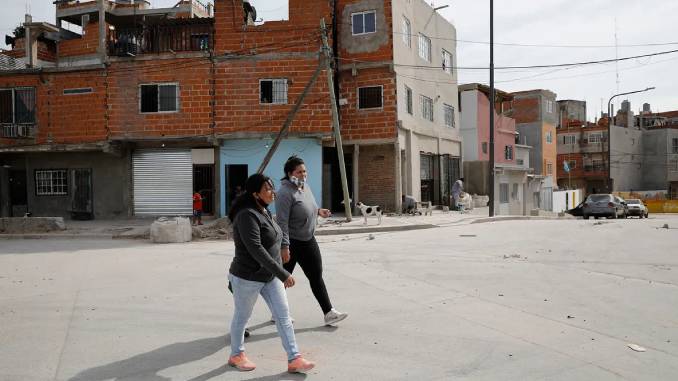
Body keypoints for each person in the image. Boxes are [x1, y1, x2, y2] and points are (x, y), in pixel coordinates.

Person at [227, 173, 315, 373]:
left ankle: (294, 358)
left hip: (269, 276)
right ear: (256, 194)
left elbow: (276, 235)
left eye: (272, 188)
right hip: (247, 277)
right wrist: (283, 273)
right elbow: (256, 249)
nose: (272, 192)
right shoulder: (247, 215)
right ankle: (236, 355)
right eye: (267, 189)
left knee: (283, 316)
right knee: (242, 317)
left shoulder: (264, 211)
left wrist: (284, 248)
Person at [276, 156, 348, 326]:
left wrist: (319, 211)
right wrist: (284, 246)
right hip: (292, 242)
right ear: (289, 173)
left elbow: (309, 206)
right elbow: (282, 222)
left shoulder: (304, 187)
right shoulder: (284, 193)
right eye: (299, 171)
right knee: (281, 279)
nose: (303, 174)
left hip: (308, 239)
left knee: (316, 275)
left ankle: (329, 312)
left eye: (304, 171)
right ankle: (277, 312)